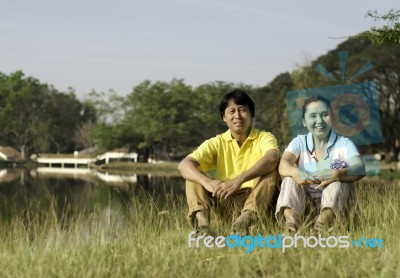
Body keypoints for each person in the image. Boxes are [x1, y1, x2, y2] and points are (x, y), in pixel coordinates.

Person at [178, 88, 280, 235]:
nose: (237, 116)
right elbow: (184, 165)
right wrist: (208, 182)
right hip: (225, 199)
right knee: (194, 176)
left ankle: (247, 219)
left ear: (251, 115)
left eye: (242, 110)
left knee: (272, 170)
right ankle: (203, 225)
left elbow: (273, 158)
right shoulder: (216, 142)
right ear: (224, 118)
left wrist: (239, 180)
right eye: (231, 111)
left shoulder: (264, 137)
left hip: (257, 200)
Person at [275, 95, 365, 235]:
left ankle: (320, 228)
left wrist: (335, 173)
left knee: (339, 179)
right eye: (312, 116)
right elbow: (283, 164)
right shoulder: (299, 142)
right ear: (304, 121)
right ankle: (291, 227)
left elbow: (360, 168)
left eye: (324, 115)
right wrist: (295, 172)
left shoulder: (344, 143)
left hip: (337, 212)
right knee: (289, 178)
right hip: (306, 210)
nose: (319, 121)